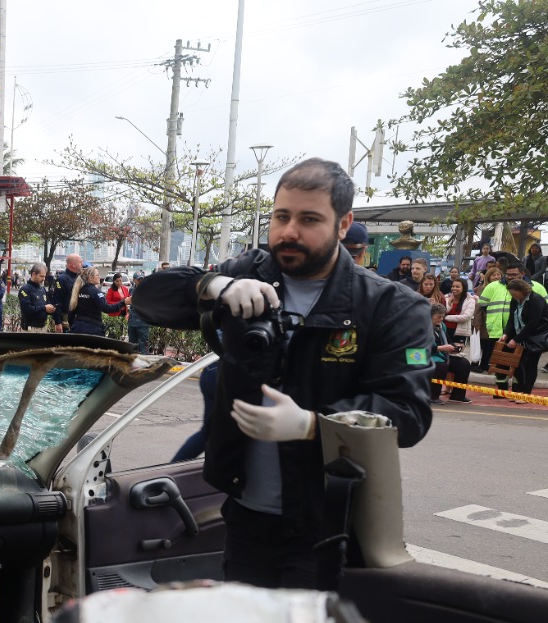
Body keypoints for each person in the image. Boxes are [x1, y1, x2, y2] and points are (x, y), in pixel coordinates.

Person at [131, 158, 432, 591]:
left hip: (329, 524)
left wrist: (314, 425)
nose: (290, 231)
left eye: (309, 219)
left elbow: (408, 414)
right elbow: (147, 300)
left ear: (343, 224)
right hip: (244, 516)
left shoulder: (391, 307)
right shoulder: (249, 274)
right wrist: (214, 287)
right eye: (282, 216)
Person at [499, 278, 548, 398]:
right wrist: (506, 333)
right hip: (520, 335)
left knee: (530, 363)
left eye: (515, 293)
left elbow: (533, 323)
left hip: (535, 337)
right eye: (511, 293)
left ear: (523, 290)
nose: (513, 295)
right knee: (516, 363)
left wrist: (516, 339)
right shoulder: (515, 300)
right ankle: (520, 389)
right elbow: (511, 318)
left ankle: (526, 393)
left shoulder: (536, 300)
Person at [429, 302, 472, 405]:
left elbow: (447, 341)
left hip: (442, 354)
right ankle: (433, 396)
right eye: (438, 317)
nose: (441, 319)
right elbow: (422, 347)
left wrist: (455, 346)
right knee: (441, 366)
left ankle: (458, 396)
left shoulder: (442, 326)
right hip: (427, 355)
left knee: (464, 364)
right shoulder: (423, 327)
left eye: (443, 317)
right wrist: (441, 348)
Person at [66, 265, 111, 335]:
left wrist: (73, 327)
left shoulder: (78, 290)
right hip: (93, 331)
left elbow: (71, 312)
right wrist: (123, 303)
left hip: (77, 329)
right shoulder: (95, 292)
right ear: (91, 278)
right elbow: (106, 308)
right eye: (97, 275)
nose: (99, 277)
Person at [442, 277, 476, 358]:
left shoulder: (470, 300)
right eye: (453, 286)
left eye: (457, 287)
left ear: (464, 288)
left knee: (456, 353)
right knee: (444, 352)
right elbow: (442, 313)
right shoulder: (446, 298)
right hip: (445, 329)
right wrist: (449, 304)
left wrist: (446, 317)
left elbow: (466, 317)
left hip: (460, 331)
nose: (454, 288)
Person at [18, 262, 55, 330]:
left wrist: (51, 308)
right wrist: (44, 308)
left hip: (43, 327)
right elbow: (27, 310)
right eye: (41, 276)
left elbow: (47, 304)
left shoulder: (42, 289)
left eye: (44, 276)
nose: (43, 279)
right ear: (33, 274)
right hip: (30, 328)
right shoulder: (25, 289)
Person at [54, 254, 85, 330]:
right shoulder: (62, 279)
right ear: (74, 265)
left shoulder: (80, 278)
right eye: (80, 262)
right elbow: (57, 302)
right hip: (66, 320)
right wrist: (58, 322)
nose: (82, 264)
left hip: (78, 318)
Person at [126, 272, 150, 353]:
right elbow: (129, 303)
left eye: (142, 279)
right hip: (132, 321)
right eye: (139, 279)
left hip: (143, 322)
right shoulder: (132, 289)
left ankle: (144, 364)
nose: (141, 281)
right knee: (132, 345)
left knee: (144, 344)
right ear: (134, 280)